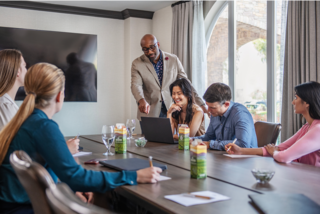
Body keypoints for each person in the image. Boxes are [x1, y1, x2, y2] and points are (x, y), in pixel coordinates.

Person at [0, 63, 162, 214]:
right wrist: (135, 176)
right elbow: (76, 177)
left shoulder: (27, 120)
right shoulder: (44, 127)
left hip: (15, 205)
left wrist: (72, 188)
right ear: (59, 96)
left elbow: (67, 175)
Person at [0, 49, 79, 155]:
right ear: (17, 71)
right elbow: (16, 152)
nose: (27, 70)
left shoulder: (8, 104)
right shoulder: (4, 106)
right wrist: (64, 150)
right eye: (24, 66)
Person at [226, 81, 320, 167]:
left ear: (307, 103)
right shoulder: (307, 127)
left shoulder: (318, 129)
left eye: (296, 98)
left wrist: (274, 152)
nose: (293, 102)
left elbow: (284, 157)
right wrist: (241, 151)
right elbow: (280, 148)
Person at [131, 34, 208, 124]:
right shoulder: (137, 63)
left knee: (170, 138)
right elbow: (136, 85)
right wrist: (141, 100)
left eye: (152, 47)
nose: (150, 52)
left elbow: (186, 84)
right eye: (145, 49)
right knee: (149, 139)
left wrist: (201, 104)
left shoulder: (173, 59)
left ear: (158, 45)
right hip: (149, 112)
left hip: (172, 110)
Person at [194, 83, 258, 150]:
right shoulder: (215, 113)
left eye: (212, 107)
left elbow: (243, 144)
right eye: (208, 106)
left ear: (226, 104)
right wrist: (190, 140)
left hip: (246, 158)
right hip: (224, 156)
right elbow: (209, 136)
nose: (208, 110)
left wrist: (210, 144)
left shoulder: (240, 114)